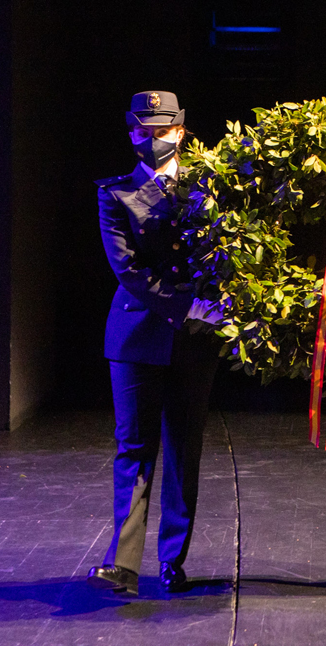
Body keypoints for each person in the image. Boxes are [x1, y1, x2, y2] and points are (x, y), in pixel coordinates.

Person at [86, 91, 220, 597]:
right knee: (135, 448)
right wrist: (188, 305)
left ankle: (172, 560)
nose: (152, 139)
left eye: (161, 130)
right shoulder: (114, 193)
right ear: (131, 134)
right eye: (143, 131)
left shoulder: (210, 186)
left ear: (180, 131)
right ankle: (122, 563)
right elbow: (129, 269)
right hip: (139, 333)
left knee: (185, 450)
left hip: (195, 339)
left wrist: (218, 303)